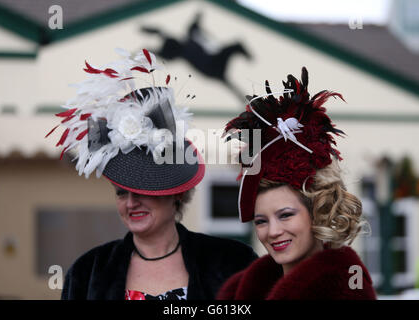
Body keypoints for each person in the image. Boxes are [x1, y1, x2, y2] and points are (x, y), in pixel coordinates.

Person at [46, 48, 258, 300]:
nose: (131, 202)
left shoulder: (233, 262)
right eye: (121, 192)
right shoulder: (87, 272)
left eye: (143, 189)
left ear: (177, 194)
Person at [217, 67, 376, 300]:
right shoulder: (240, 291)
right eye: (261, 221)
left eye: (285, 215)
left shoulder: (347, 290)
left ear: (318, 211)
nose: (273, 232)